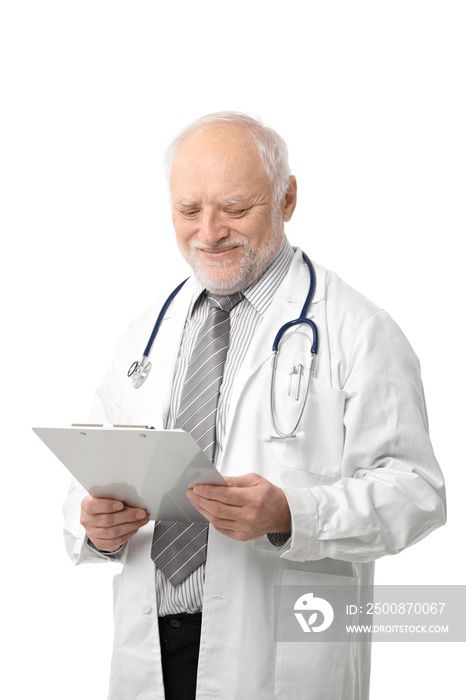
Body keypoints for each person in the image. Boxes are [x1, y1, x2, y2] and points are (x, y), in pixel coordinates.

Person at [63, 111, 446, 700]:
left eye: (236, 209)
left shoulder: (358, 329)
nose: (209, 233)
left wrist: (292, 514)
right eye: (188, 210)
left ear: (287, 197)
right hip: (151, 650)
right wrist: (94, 525)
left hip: (277, 657)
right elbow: (90, 470)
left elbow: (417, 491)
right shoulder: (146, 336)